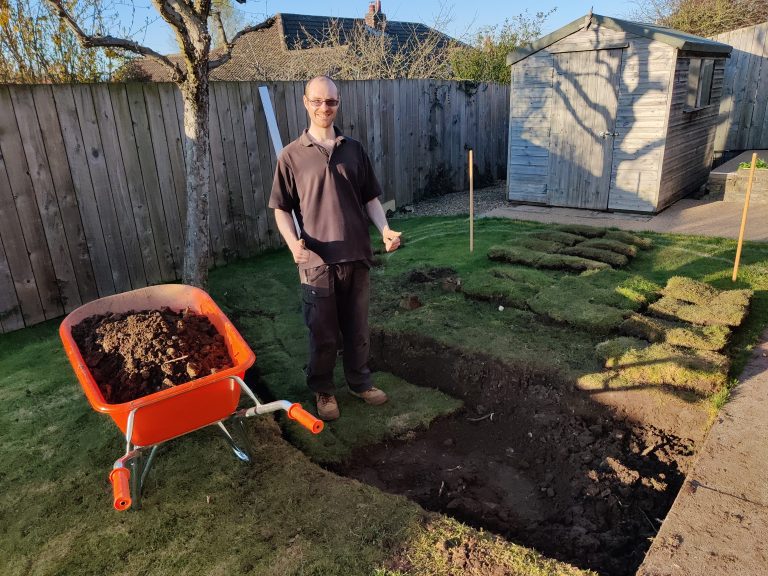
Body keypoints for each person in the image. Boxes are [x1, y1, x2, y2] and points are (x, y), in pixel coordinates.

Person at [269, 75, 402, 421]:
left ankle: (360, 383)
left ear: (338, 103)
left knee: (357, 329)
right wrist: (291, 244)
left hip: (356, 256)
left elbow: (370, 198)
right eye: (317, 101)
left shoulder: (354, 150)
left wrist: (385, 230)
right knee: (323, 333)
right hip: (316, 263)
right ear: (305, 102)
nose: (324, 108)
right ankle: (324, 391)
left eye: (331, 102)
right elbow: (281, 208)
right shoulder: (291, 156)